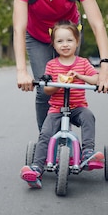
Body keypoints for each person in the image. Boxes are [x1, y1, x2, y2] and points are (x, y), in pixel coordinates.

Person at [13, 0, 108, 132]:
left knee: (68, 85)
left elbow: (97, 24)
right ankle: (47, 142)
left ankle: (68, 129)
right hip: (37, 37)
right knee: (45, 89)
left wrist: (106, 67)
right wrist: (22, 71)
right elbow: (19, 27)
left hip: (67, 35)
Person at [20, 21, 102, 189]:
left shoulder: (83, 63)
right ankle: (36, 168)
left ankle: (87, 152)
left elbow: (96, 79)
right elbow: (47, 90)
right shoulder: (51, 65)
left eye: (69, 40)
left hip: (77, 106)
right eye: (60, 41)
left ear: (77, 42)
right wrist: (58, 83)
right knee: (45, 132)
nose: (65, 45)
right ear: (54, 44)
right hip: (57, 109)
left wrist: (79, 76)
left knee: (88, 116)